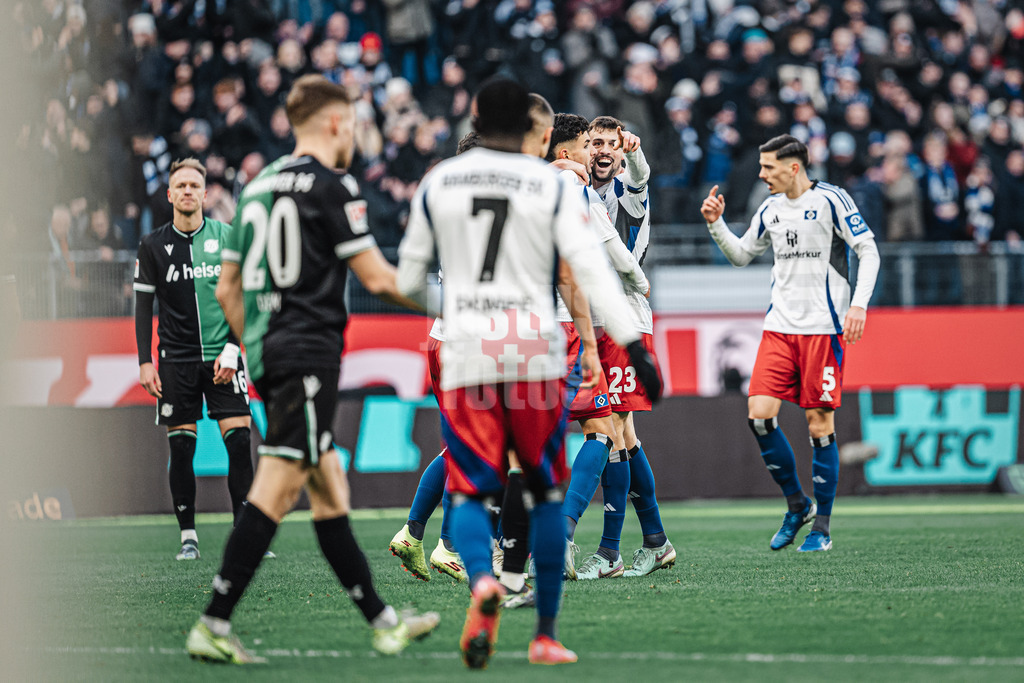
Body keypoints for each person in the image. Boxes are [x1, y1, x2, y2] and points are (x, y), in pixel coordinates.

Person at [396, 78, 662, 668]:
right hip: (535, 346)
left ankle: (484, 582)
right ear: (529, 129)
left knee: (472, 484)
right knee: (540, 487)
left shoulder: (439, 182)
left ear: (475, 120)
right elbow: (581, 272)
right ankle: (544, 633)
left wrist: (461, 307)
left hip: (468, 347)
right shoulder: (550, 184)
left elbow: (408, 280)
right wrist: (629, 344)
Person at [185, 74, 439, 663]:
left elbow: (227, 288)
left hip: (276, 353)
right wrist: (460, 303)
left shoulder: (256, 187)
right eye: (352, 124)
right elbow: (378, 278)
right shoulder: (332, 185)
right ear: (334, 122)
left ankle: (384, 622)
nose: (354, 136)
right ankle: (213, 622)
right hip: (307, 356)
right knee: (276, 488)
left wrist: (257, 347)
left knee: (329, 490)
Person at [699, 134, 880, 552]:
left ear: (793, 167)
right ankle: (797, 504)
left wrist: (859, 305)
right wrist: (716, 224)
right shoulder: (770, 209)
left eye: (769, 167)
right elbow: (742, 255)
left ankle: (822, 529)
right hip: (779, 328)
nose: (762, 174)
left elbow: (867, 250)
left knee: (819, 424)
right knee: (760, 417)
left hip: (824, 329)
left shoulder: (832, 200)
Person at [133, 158, 255, 562]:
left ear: (206, 194)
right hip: (176, 360)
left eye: (194, 186)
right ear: (170, 195)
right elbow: (143, 306)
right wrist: (145, 361)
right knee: (182, 448)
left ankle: (243, 535)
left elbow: (243, 296)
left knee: (240, 442)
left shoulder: (228, 236)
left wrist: (234, 348)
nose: (187, 191)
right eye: (181, 186)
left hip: (223, 356)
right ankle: (188, 536)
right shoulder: (152, 245)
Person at [588, 116, 675, 578]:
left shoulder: (627, 188)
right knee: (625, 434)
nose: (603, 150)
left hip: (624, 316)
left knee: (614, 429)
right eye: (595, 142)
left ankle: (609, 553)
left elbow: (641, 177)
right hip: (592, 319)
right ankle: (656, 541)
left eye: (611, 143)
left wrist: (635, 152)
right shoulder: (579, 191)